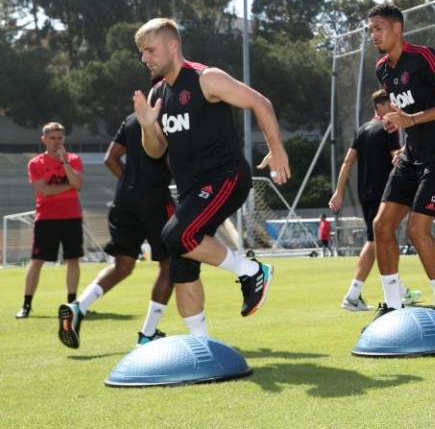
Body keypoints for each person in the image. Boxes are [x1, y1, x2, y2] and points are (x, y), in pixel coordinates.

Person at [64, 18, 289, 342]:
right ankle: (202, 344)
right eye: (141, 53)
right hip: (191, 190)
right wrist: (146, 125)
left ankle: (252, 271)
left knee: (176, 235)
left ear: (172, 46)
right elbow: (156, 151)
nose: (145, 58)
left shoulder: (205, 78)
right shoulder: (158, 93)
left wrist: (276, 148)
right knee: (182, 266)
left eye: (150, 50)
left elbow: (259, 102)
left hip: (225, 177)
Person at [368, 3, 435, 324]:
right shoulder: (383, 68)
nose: (374, 35)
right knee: (381, 226)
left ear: (397, 29)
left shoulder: (424, 57)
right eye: (371, 30)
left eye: (378, 28)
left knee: (416, 229)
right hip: (411, 154)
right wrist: (397, 125)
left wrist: (412, 118)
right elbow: (402, 110)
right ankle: (393, 304)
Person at [57, 113, 175, 348]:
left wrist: (132, 181)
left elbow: (110, 159)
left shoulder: (132, 119)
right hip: (156, 201)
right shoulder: (174, 118)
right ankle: (148, 332)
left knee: (122, 265)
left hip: (124, 200)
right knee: (171, 264)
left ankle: (78, 307)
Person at [330, 89, 409, 311]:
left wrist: (338, 191)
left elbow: (347, 162)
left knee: (387, 239)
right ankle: (353, 295)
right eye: (392, 103)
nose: (395, 107)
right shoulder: (388, 128)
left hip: (366, 193)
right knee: (376, 242)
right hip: (384, 193)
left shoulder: (363, 129)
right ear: (383, 105)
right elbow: (398, 160)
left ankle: (399, 288)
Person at [17, 122, 84, 319]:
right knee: (37, 261)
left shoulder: (73, 159)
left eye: (60, 138)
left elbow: (78, 183)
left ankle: (72, 303)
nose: (56, 142)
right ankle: (26, 305)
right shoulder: (35, 163)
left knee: (73, 259)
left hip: (72, 216)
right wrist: (69, 185)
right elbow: (44, 190)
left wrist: (65, 163)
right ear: (44, 139)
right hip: (46, 218)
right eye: (52, 138)